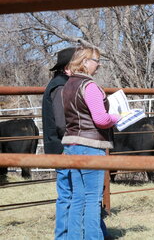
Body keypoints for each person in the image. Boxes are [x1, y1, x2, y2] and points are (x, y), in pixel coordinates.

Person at [61, 46, 120, 239]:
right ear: (85, 62)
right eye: (96, 60)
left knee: (77, 197)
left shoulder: (68, 85)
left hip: (71, 145)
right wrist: (118, 117)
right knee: (93, 199)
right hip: (90, 146)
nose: (99, 64)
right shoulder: (90, 86)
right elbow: (101, 120)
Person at [42, 47, 76, 240]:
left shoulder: (61, 84)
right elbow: (62, 123)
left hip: (62, 145)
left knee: (70, 193)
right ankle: (62, 236)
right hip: (64, 147)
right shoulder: (61, 86)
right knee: (67, 194)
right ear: (68, 67)